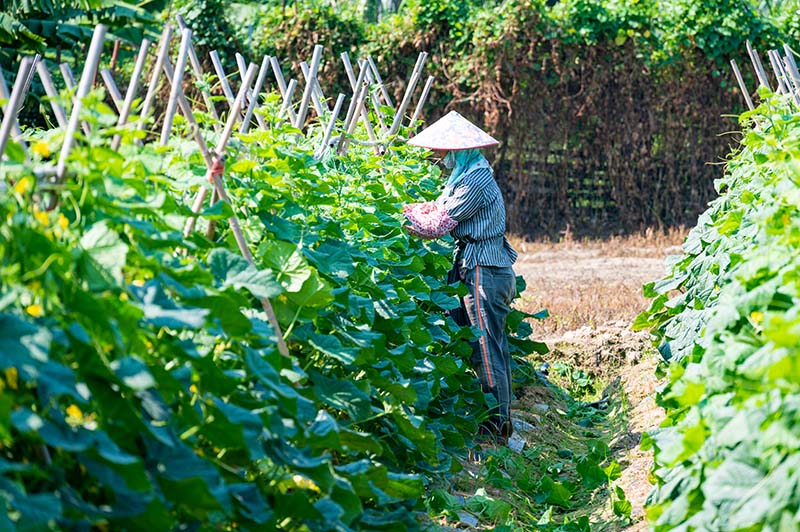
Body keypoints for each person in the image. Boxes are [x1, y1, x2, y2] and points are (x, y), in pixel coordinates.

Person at [404, 111, 519, 445]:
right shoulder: (465, 176)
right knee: (488, 345)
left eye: (445, 153)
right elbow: (436, 208)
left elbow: (437, 224)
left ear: (460, 151)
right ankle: (499, 422)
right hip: (478, 265)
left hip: (484, 269)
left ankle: (497, 428)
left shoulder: (475, 181)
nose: (441, 159)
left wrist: (398, 215)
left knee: (485, 347)